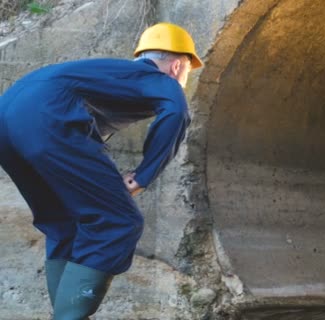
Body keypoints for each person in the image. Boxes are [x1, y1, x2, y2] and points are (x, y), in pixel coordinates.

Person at [0, 22, 203, 319]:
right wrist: (143, 176)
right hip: (45, 117)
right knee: (118, 221)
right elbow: (176, 112)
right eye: (187, 69)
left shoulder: (111, 75)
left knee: (65, 223)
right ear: (176, 65)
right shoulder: (156, 77)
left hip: (7, 117)